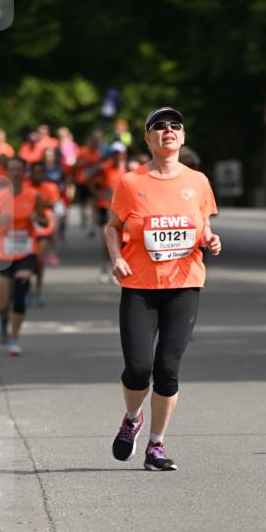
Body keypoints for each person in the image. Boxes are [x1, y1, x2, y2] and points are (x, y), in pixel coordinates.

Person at [104, 107, 221, 472]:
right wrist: (116, 257)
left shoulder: (198, 182)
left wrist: (210, 239)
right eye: (159, 126)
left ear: (183, 138)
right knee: (138, 369)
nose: (168, 130)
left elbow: (201, 224)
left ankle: (156, 446)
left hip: (183, 285)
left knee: (167, 369)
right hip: (139, 285)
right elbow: (112, 226)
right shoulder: (130, 183)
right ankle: (132, 417)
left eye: (175, 126)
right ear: (148, 139)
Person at [0, 157, 48, 355]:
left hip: (25, 251)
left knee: (20, 292)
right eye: (12, 170)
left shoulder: (34, 196)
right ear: (7, 173)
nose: (15, 173)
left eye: (19, 169)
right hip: (2, 252)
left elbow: (44, 222)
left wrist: (37, 218)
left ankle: (14, 337)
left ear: (24, 172)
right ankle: (3, 320)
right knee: (3, 303)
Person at [91, 141, 127, 282]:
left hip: (122, 208)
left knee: (122, 239)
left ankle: (118, 268)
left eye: (120, 153)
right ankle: (105, 267)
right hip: (105, 206)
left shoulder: (127, 169)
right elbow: (90, 180)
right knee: (107, 238)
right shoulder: (105, 167)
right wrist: (98, 194)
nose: (117, 156)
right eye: (115, 153)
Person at [28, 160, 59, 305]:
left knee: (39, 260)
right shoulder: (25, 187)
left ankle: (38, 290)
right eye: (35, 172)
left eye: (40, 172)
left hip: (44, 225)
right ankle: (26, 289)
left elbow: (53, 205)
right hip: (27, 226)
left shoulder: (50, 187)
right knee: (27, 260)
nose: (37, 175)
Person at [74, 130, 105, 232]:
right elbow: (76, 165)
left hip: (93, 181)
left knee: (93, 201)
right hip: (82, 179)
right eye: (95, 140)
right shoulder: (83, 150)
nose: (96, 142)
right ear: (91, 140)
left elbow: (100, 166)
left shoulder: (98, 152)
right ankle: (84, 218)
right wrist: (85, 162)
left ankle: (93, 222)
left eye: (98, 140)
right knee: (83, 201)